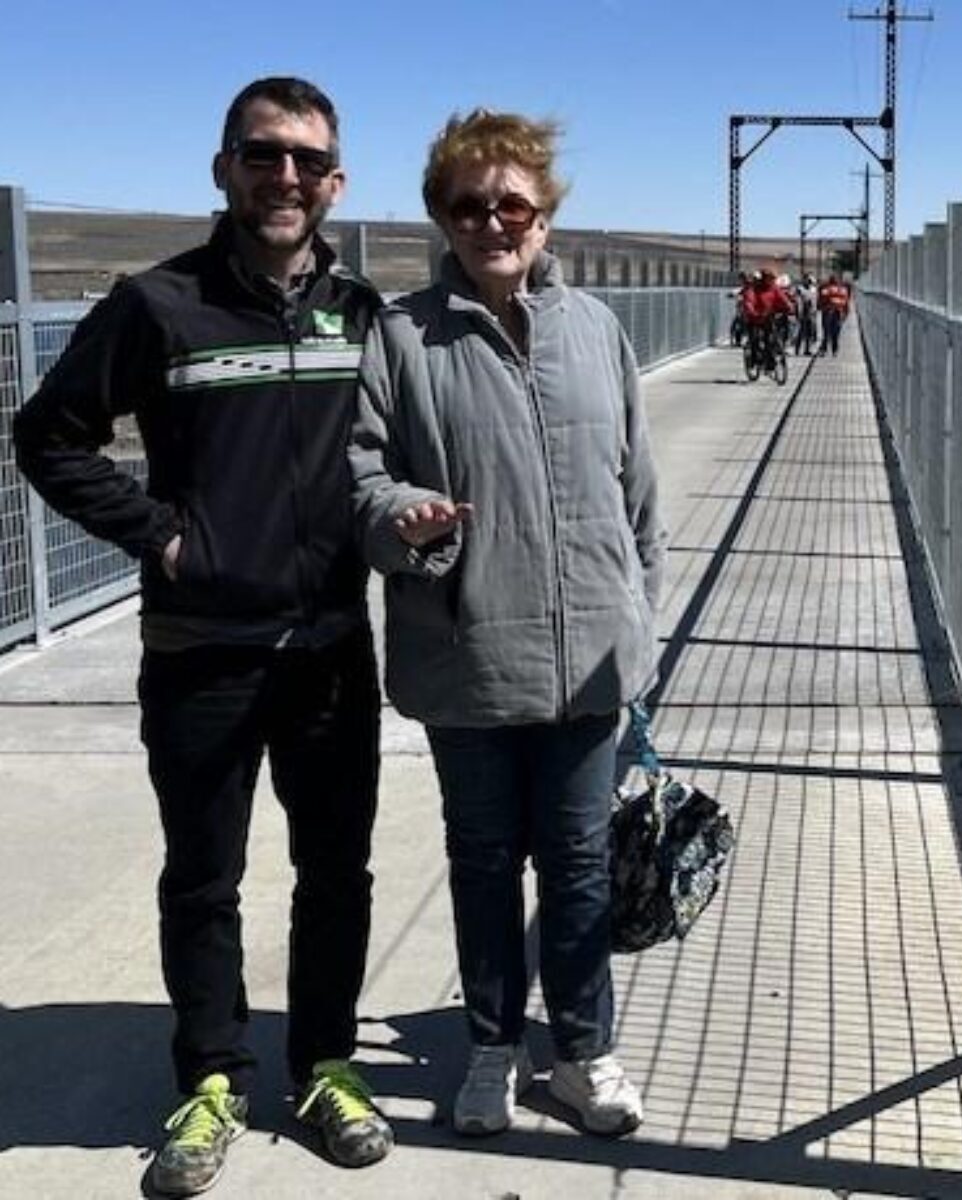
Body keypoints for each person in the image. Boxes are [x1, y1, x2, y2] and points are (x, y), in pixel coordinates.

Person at [12, 77, 392, 1196]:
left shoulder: (360, 310)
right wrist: (166, 541)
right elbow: (49, 436)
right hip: (201, 651)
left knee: (336, 873)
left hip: (329, 648)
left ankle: (326, 1065)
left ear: (336, 182)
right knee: (204, 878)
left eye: (309, 162)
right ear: (223, 167)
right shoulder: (157, 302)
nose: (287, 179)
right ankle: (212, 1075)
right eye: (264, 155)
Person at [348, 109, 664, 1140]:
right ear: (442, 216)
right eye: (468, 205)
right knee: (485, 863)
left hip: (586, 666)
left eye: (511, 204)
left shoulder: (597, 330)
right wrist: (403, 518)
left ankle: (582, 1054)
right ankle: (491, 1048)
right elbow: (360, 476)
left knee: (576, 869)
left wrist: (637, 618)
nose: (492, 221)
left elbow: (641, 497)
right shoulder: (401, 335)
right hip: (467, 654)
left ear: (544, 214)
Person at [738, 268, 793, 374]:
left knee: (770, 339)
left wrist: (789, 307)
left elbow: (783, 299)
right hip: (754, 319)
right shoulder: (754, 289)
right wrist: (753, 312)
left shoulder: (774, 288)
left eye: (772, 279)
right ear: (764, 279)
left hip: (768, 318)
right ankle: (753, 361)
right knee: (754, 339)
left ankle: (770, 363)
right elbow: (749, 301)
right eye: (769, 279)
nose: (771, 281)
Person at [819, 274, 852, 356]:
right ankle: (834, 350)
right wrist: (846, 314)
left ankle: (825, 350)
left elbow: (820, 301)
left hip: (828, 312)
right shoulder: (843, 290)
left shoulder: (826, 289)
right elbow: (846, 303)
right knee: (835, 333)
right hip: (838, 313)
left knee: (826, 332)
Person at [792, 273, 819, 356]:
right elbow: (797, 301)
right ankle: (797, 349)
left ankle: (807, 349)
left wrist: (814, 311)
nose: (808, 281)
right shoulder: (799, 289)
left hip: (811, 314)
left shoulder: (814, 289)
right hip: (803, 314)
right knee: (800, 333)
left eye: (809, 279)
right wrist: (798, 313)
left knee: (809, 333)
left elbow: (815, 301)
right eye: (806, 279)